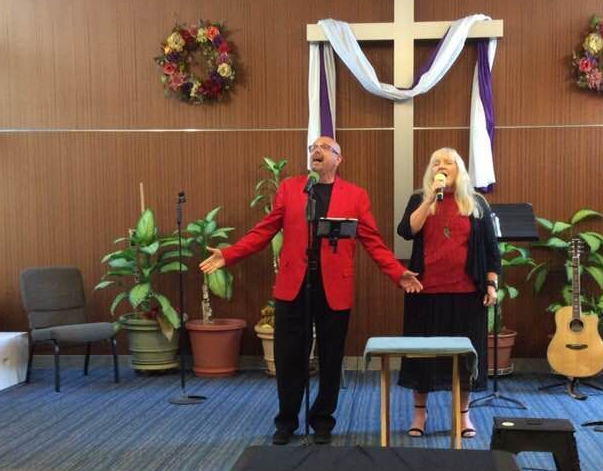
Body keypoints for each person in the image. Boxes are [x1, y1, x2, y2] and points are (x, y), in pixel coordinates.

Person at [200, 135, 423, 445]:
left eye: (325, 148)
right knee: (289, 356)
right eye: (312, 148)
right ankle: (287, 420)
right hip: (294, 287)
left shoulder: (355, 195)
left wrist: (397, 273)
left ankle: (322, 420)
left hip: (334, 288)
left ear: (338, 159)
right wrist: (229, 253)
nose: (316, 151)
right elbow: (264, 230)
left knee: (331, 357)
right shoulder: (291, 189)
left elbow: (372, 241)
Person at [397, 147, 501, 438]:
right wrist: (430, 198)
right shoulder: (420, 199)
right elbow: (406, 230)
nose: (441, 167)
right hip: (425, 292)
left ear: (460, 170)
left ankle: (463, 415)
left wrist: (491, 283)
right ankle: (420, 413)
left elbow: (492, 250)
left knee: (464, 357)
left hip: (467, 293)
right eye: (436, 163)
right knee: (422, 357)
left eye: (448, 163)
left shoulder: (476, 202)